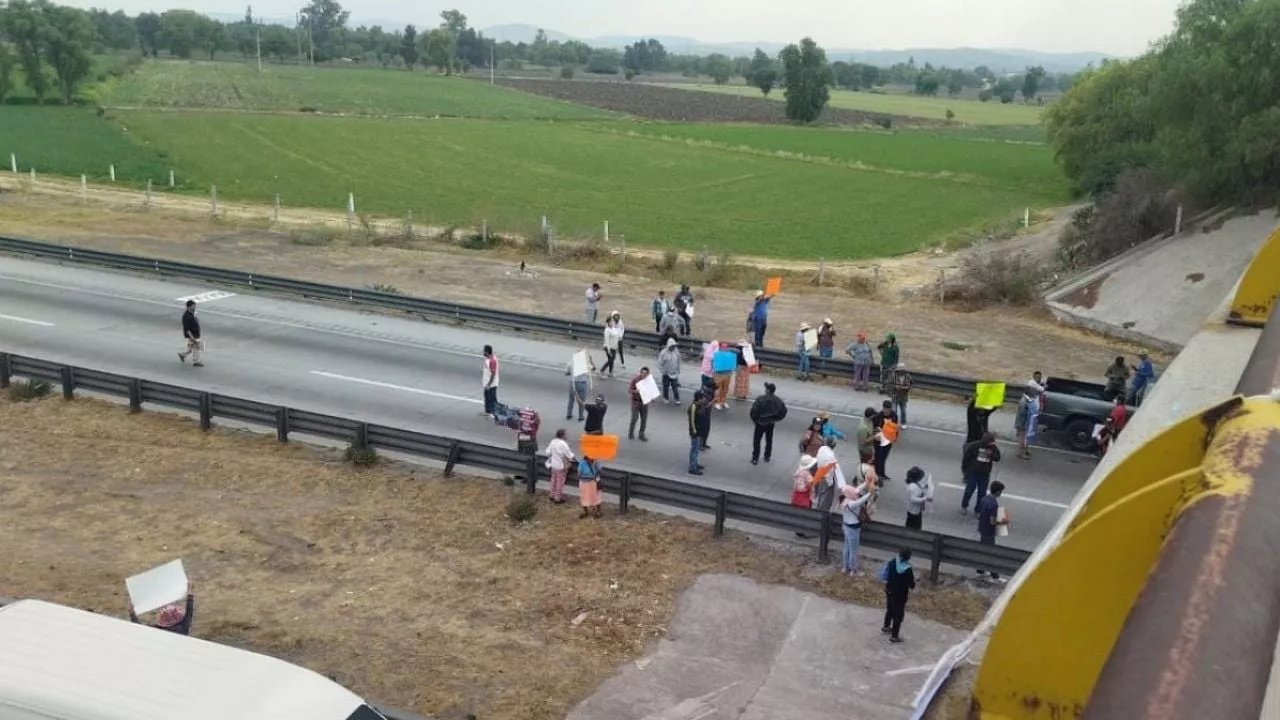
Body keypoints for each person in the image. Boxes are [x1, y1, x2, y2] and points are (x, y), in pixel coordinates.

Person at [961, 432, 1002, 515]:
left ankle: (978, 510)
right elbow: (966, 458)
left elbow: (997, 458)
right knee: (969, 491)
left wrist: (991, 455)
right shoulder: (975, 446)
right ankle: (964, 505)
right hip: (974, 473)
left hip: (984, 474)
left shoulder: (992, 448)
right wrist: (966, 471)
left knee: (982, 493)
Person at [880, 549, 916, 643]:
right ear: (908, 557)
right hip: (900, 595)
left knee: (890, 609)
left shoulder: (892, 562)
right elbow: (911, 585)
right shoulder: (908, 569)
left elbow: (886, 575)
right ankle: (894, 636)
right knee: (898, 614)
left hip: (889, 590)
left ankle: (886, 626)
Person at [977, 480, 1010, 580]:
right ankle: (995, 576)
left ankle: (980, 571)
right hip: (989, 532)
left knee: (983, 551)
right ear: (998, 492)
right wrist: (1003, 522)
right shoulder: (993, 504)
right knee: (991, 553)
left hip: (982, 528)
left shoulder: (984, 499)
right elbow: (992, 522)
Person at [749, 382, 787, 465]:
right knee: (769, 440)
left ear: (767, 390)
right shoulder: (778, 401)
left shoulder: (760, 399)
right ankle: (767, 456)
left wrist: (756, 420)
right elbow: (783, 411)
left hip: (760, 423)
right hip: (770, 423)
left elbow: (753, 411)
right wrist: (776, 419)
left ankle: (755, 458)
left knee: (757, 441)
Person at [130, 589, 195, 636]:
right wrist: (190, 597)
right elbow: (189, 614)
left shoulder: (156, 630)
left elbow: (140, 629)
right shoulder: (182, 629)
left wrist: (132, 614)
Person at [1015, 374, 1044, 459]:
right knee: (1022, 439)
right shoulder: (1023, 402)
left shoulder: (1028, 400)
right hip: (1023, 423)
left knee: (1026, 438)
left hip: (1026, 423)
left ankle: (1026, 451)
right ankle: (1021, 453)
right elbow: (1023, 413)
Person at [544, 429, 575, 504]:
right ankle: (557, 498)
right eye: (566, 434)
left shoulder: (553, 441)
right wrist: (573, 457)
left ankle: (551, 495)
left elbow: (547, 452)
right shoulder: (563, 444)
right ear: (563, 435)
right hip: (561, 466)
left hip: (553, 465)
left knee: (553, 480)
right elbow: (569, 455)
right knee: (560, 482)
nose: (567, 435)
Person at [687, 390, 712, 475]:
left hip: (699, 431)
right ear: (699, 398)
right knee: (694, 449)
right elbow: (692, 421)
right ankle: (692, 467)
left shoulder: (700, 405)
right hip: (696, 432)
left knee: (696, 449)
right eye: (703, 397)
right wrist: (694, 432)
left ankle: (695, 464)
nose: (704, 399)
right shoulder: (693, 407)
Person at [875, 401, 899, 481]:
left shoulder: (893, 415)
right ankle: (877, 474)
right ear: (883, 408)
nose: (887, 411)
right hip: (880, 440)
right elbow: (875, 427)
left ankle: (882, 473)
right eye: (886, 409)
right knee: (878, 458)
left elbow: (895, 427)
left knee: (884, 457)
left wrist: (895, 437)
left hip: (888, 440)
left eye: (888, 409)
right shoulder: (879, 416)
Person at [565, 354, 594, 421]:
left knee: (571, 399)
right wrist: (590, 360)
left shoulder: (570, 363)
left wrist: (572, 374)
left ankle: (569, 414)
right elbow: (592, 368)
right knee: (582, 400)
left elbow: (566, 373)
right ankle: (581, 416)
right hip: (582, 383)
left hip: (573, 383)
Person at [177, 300, 204, 367]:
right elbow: (187, 329)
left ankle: (182, 355)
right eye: (193, 306)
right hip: (192, 335)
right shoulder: (186, 316)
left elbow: (195, 320)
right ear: (189, 307)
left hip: (196, 334)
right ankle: (196, 361)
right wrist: (192, 338)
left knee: (192, 348)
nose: (195, 307)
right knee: (197, 347)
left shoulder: (192, 313)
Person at [627, 367, 651, 441]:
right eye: (642, 373)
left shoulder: (649, 381)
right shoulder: (635, 380)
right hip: (636, 401)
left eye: (645, 373)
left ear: (647, 374)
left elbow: (651, 390)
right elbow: (629, 390)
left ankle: (641, 434)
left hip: (644, 402)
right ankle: (631, 433)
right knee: (634, 418)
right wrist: (636, 391)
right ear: (640, 373)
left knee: (644, 419)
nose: (643, 375)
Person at [658, 338, 682, 405]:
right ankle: (665, 398)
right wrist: (663, 371)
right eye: (672, 346)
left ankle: (677, 399)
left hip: (674, 373)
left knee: (675, 387)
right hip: (666, 373)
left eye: (674, 346)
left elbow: (679, 361)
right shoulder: (663, 353)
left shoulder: (676, 352)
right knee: (665, 386)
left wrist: (678, 370)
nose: (673, 347)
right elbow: (660, 363)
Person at [712, 342, 733, 410]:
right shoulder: (717, 355)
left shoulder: (729, 355)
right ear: (720, 347)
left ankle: (723, 401)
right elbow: (714, 365)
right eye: (723, 347)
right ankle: (717, 402)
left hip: (727, 374)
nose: (724, 348)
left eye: (726, 347)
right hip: (719, 374)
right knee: (718, 389)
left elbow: (732, 365)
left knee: (725, 389)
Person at [481, 345, 500, 418]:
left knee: (492, 399)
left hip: (491, 384)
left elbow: (493, 374)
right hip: (487, 383)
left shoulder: (492, 361)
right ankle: (488, 412)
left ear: (486, 352)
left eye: (484, 351)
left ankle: (495, 413)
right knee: (487, 397)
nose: (483, 352)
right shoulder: (488, 359)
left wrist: (489, 384)